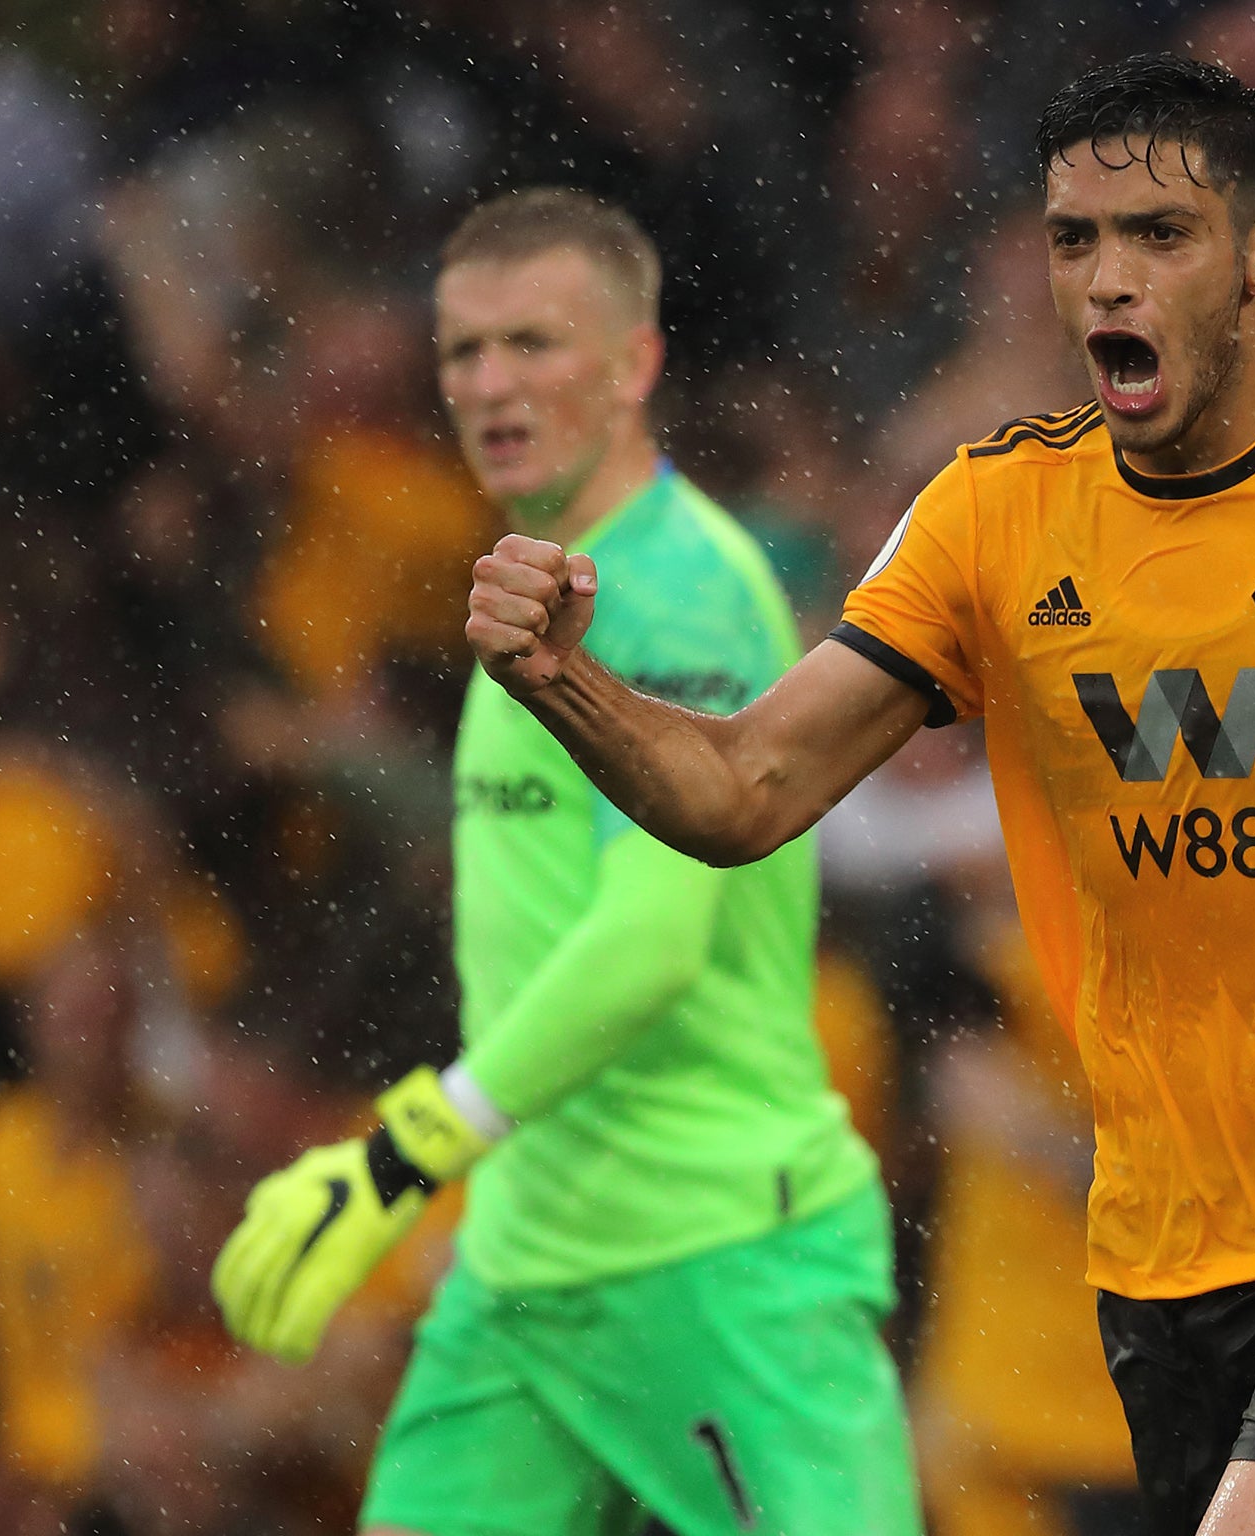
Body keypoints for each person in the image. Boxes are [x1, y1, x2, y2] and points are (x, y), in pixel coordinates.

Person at [466, 57, 1255, 1536]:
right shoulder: (989, 515)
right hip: (1158, 1250)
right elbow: (745, 789)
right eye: (1077, 241)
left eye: (1159, 237)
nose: (1109, 281)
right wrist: (564, 678)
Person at [211, 187, 922, 1536]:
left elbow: (650, 943)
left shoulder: (674, 592)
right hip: (528, 1273)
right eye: (464, 351)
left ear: (635, 364)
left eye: (534, 343)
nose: (491, 382)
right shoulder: (538, 584)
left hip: (720, 1261)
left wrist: (403, 1152)